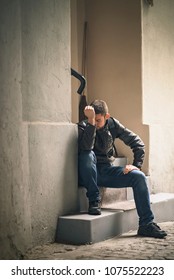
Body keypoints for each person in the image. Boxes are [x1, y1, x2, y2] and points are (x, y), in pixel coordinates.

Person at [78, 99, 167, 239]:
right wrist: (91, 121)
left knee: (139, 176)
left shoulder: (113, 125)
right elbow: (86, 147)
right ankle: (94, 200)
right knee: (87, 155)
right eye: (93, 120)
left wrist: (136, 165)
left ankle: (146, 224)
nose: (95, 123)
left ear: (107, 117)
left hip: (106, 171)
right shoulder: (84, 126)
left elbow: (137, 142)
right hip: (89, 174)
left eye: (98, 120)